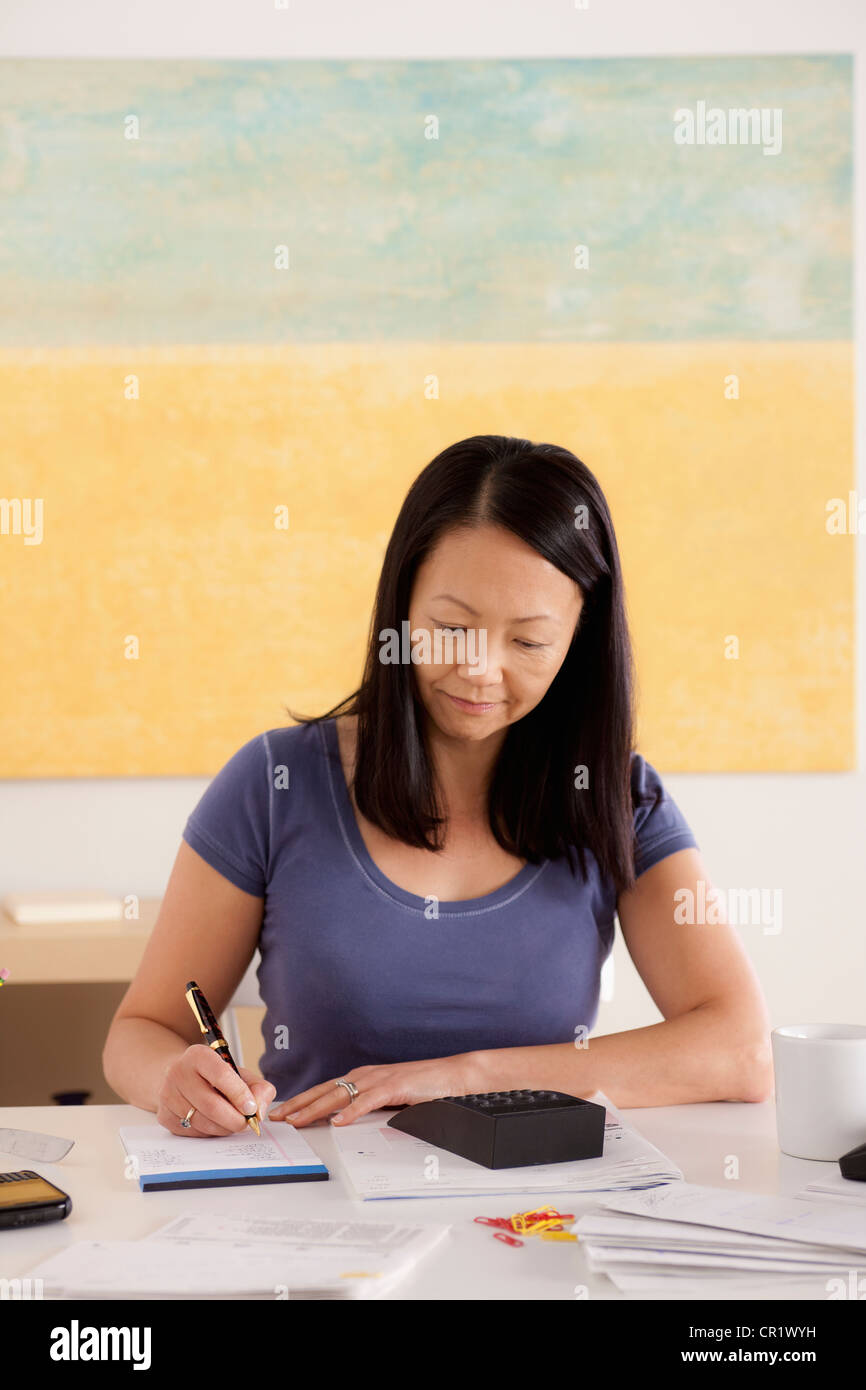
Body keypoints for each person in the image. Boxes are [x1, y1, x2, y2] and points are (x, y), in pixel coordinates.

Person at [103, 434, 772, 1138]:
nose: (481, 669)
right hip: (320, 1211)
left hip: (534, 1206)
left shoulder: (617, 800)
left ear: (580, 638)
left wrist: (459, 1077)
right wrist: (171, 1080)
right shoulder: (275, 783)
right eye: (452, 628)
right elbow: (140, 1032)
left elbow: (740, 1049)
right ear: (402, 606)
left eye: (529, 642)